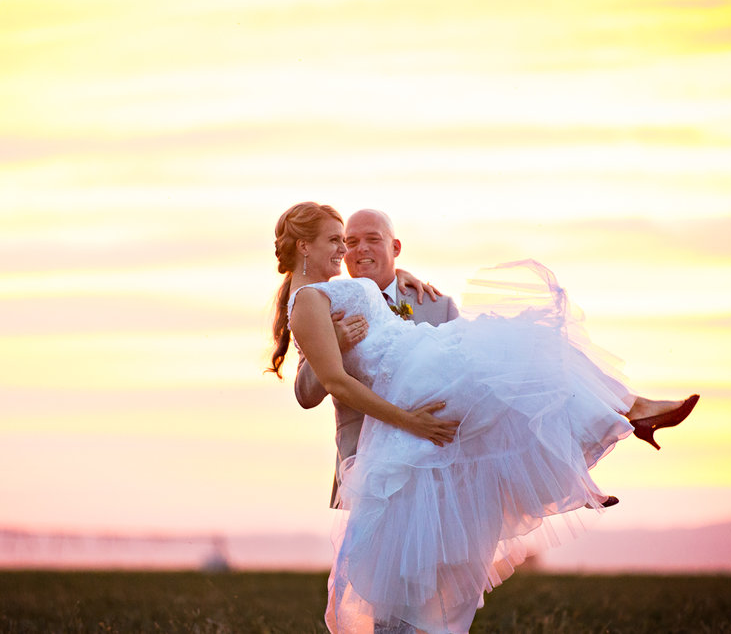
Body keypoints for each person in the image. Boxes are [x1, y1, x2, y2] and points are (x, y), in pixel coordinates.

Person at [268, 202, 699, 634]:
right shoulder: (310, 302)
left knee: (524, 357)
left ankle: (622, 415)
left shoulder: (407, 295)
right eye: (338, 241)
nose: (347, 249)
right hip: (396, 427)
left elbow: (373, 303)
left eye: (359, 240)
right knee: (398, 584)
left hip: (430, 395)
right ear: (305, 246)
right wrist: (399, 410)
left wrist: (398, 279)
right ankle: (591, 449)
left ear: (394, 248)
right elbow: (328, 383)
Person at [294, 209, 459, 509]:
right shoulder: (326, 304)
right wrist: (336, 342)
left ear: (395, 248)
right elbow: (305, 395)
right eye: (351, 241)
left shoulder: (439, 307)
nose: (361, 249)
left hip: (436, 465)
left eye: (373, 239)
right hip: (365, 470)